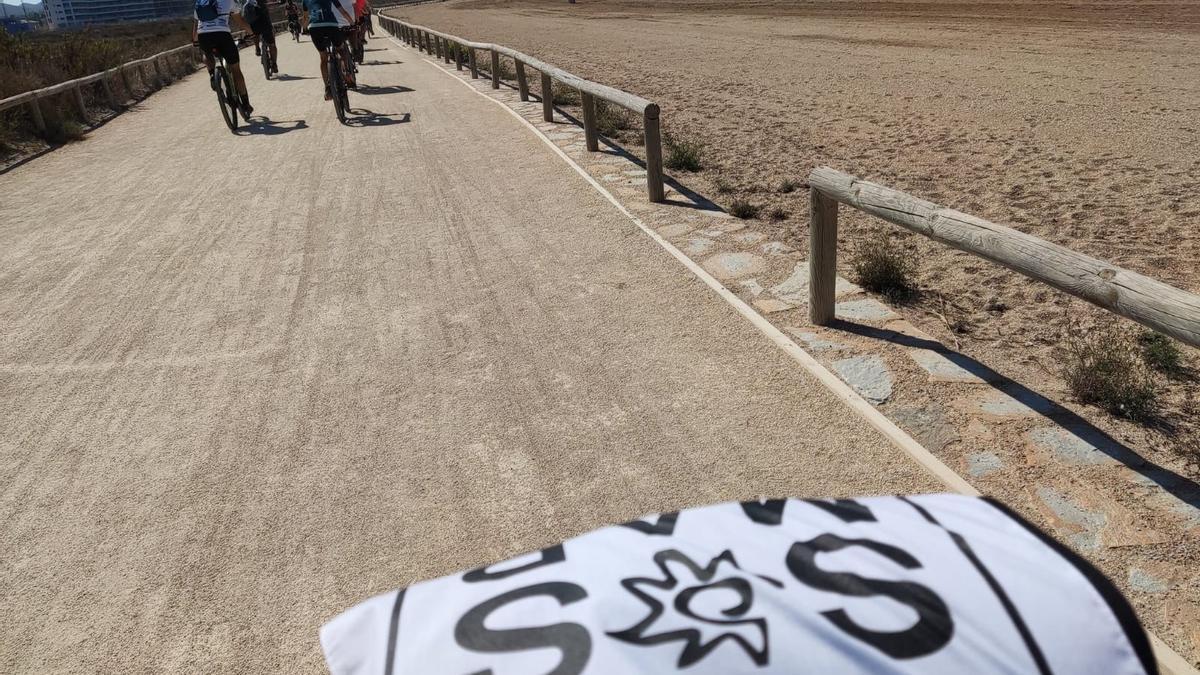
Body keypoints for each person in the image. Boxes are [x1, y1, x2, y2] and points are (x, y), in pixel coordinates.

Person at [193, 0, 254, 117]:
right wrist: (252, 33)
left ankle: (212, 74)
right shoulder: (229, 1)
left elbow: (196, 25)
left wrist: (195, 41)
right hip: (222, 35)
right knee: (236, 69)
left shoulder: (200, 2)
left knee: (206, 53)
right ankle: (246, 103)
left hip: (203, 36)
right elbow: (240, 22)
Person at [300, 0, 355, 100]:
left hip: (315, 27)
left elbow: (305, 17)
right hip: (331, 25)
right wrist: (352, 23)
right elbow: (343, 11)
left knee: (323, 57)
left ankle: (327, 88)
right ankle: (346, 73)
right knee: (341, 50)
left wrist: (304, 29)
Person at [243, 0, 278, 74]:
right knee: (272, 44)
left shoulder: (247, 4)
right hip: (265, 24)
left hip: (253, 25)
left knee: (255, 34)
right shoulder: (262, 3)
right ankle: (274, 64)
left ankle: (257, 48)